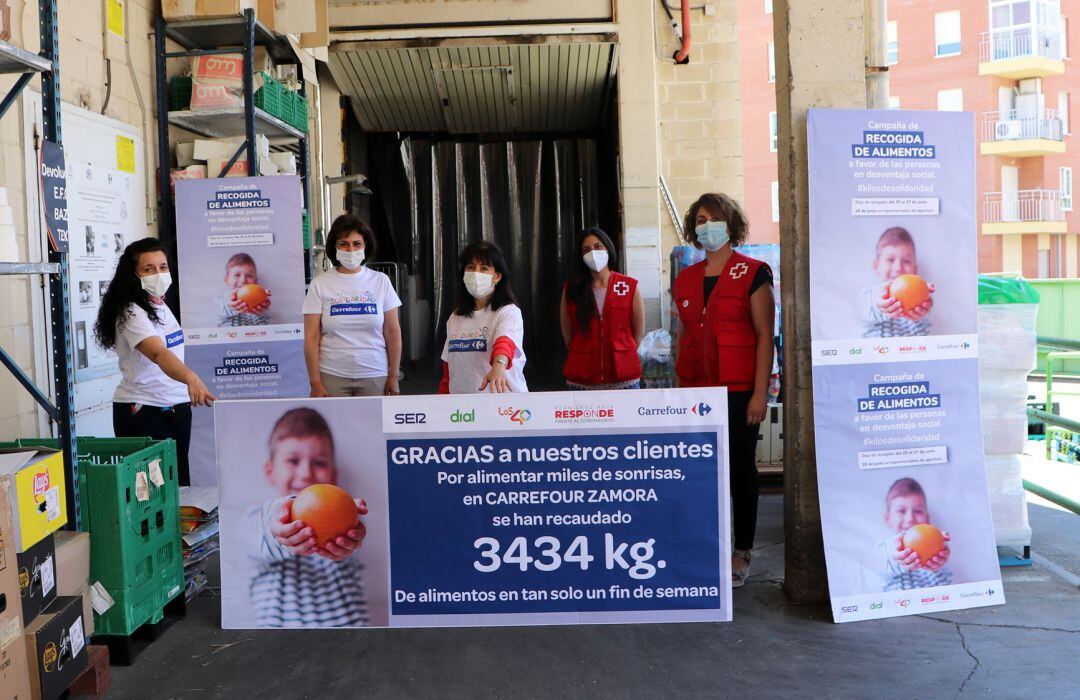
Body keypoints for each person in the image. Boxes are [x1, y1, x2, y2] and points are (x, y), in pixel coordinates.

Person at [672, 193, 775, 588]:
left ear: (730, 224)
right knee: (701, 474)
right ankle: (706, 547)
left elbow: (766, 335)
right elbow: (684, 336)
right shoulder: (686, 279)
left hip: (738, 393)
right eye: (700, 219)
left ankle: (742, 551)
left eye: (714, 218)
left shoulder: (753, 273)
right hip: (697, 395)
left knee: (740, 473)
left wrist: (759, 393)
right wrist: (679, 391)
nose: (707, 225)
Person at [93, 238, 215, 486]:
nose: (158, 274)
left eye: (162, 267)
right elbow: (158, 353)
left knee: (179, 485)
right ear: (133, 274)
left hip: (176, 405)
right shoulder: (130, 311)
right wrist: (190, 377)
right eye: (149, 269)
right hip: (144, 410)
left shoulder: (158, 305)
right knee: (151, 493)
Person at [252, 407, 369, 627]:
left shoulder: (345, 518)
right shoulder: (258, 518)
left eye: (319, 462)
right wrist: (280, 528)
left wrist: (350, 522)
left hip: (353, 636)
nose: (306, 473)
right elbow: (265, 529)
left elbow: (355, 546)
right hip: (283, 642)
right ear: (270, 471)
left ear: (333, 475)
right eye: (293, 461)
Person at [303, 215, 402, 397]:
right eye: (344, 244)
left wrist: (394, 375)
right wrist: (315, 382)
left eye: (357, 244)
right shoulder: (320, 284)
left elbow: (392, 331)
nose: (351, 249)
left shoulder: (381, 281)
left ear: (366, 246)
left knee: (374, 425)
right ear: (334, 247)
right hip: (331, 375)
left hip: (375, 374)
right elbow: (311, 336)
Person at [560, 227, 645, 390]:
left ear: (607, 248)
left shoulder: (628, 286)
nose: (593, 253)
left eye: (598, 247)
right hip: (582, 381)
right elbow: (568, 337)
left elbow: (638, 334)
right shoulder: (571, 290)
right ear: (581, 256)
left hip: (624, 380)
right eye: (586, 250)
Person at [440, 241, 527, 394]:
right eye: (471, 267)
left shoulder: (508, 312)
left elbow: (505, 342)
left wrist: (499, 365)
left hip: (504, 407)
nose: (476, 273)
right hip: (463, 412)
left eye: (484, 268)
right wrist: (442, 399)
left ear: (497, 276)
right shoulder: (455, 317)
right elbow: (449, 370)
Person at [871, 478, 951, 591]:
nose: (910, 519)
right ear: (887, 518)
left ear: (927, 519)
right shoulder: (885, 548)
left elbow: (947, 581)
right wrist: (897, 556)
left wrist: (940, 554)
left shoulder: (934, 548)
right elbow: (881, 563)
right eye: (901, 511)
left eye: (918, 511)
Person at [859, 227, 935, 338]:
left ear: (915, 270)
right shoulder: (868, 296)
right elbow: (866, 309)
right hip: (879, 353)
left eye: (906, 261)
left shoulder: (920, 298)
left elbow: (925, 329)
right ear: (876, 267)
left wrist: (924, 299)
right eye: (890, 260)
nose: (898, 268)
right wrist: (880, 304)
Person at [217, 252, 272, 327]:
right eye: (237, 275)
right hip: (230, 336)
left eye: (249, 276)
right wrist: (232, 306)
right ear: (227, 279)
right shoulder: (221, 298)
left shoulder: (260, 298)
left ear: (255, 281)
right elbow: (221, 311)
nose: (243, 280)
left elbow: (266, 320)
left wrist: (262, 305)